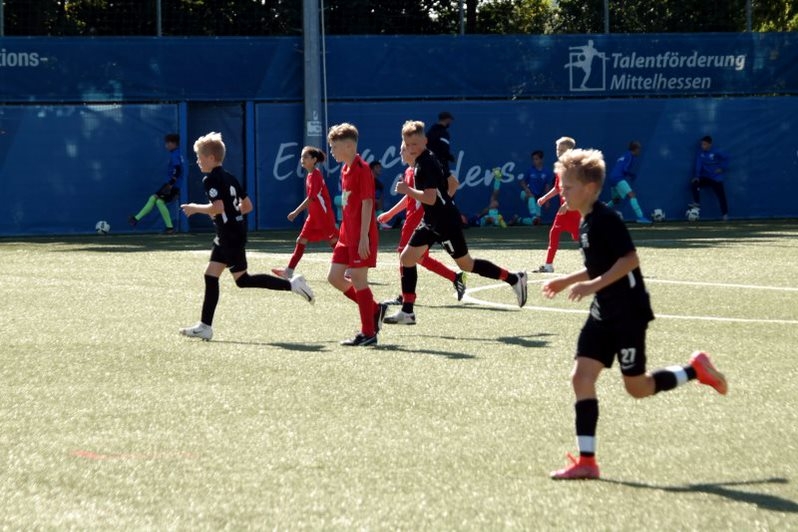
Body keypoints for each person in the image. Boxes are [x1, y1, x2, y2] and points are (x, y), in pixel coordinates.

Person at [541, 148, 728, 480]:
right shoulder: (585, 222)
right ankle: (587, 461)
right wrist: (566, 280)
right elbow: (598, 264)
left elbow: (629, 260)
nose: (562, 192)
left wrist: (591, 285)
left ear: (589, 187)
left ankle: (695, 370)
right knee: (580, 378)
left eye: (567, 187)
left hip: (628, 313)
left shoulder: (606, 219)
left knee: (637, 388)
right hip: (602, 312)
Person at [383, 120, 527, 326]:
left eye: (415, 143)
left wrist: (408, 191)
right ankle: (407, 311)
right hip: (432, 220)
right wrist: (443, 201)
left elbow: (430, 198)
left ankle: (514, 278)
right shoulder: (426, 159)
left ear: (425, 141)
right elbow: (448, 186)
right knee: (407, 258)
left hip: (444, 223)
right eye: (407, 144)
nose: (411, 148)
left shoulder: (426, 164)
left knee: (466, 264)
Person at [178, 132, 314, 341]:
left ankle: (293, 284)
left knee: (242, 280)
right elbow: (247, 206)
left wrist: (195, 208)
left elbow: (218, 207)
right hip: (229, 233)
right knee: (211, 275)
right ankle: (205, 326)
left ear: (211, 158)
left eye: (199, 157)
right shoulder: (230, 177)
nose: (197, 161)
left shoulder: (210, 179)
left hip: (229, 235)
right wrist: (230, 214)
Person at [377, 142, 466, 306]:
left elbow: (452, 184)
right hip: (412, 219)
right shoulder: (409, 171)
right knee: (418, 258)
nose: (400, 153)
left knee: (405, 255)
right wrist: (391, 213)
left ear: (413, 151)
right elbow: (410, 197)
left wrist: (441, 206)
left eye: (403, 149)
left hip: (419, 220)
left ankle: (406, 297)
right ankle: (455, 277)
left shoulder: (424, 168)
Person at [325, 123, 387, 347]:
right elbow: (348, 204)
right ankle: (375, 309)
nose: (331, 151)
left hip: (361, 236)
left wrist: (363, 238)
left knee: (359, 281)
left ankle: (368, 333)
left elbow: (368, 203)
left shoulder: (362, 169)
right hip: (346, 235)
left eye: (334, 147)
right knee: (334, 278)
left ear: (349, 146)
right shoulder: (345, 169)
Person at [272, 146, 338, 280]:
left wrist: (295, 212)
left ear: (314, 160)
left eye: (306, 157)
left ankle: (349, 268)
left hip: (323, 216)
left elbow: (311, 198)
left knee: (333, 241)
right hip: (313, 216)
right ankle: (289, 271)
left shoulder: (316, 175)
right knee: (301, 240)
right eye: (302, 156)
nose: (302, 159)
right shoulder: (310, 175)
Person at [535, 137, 581, 273]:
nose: (559, 152)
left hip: (575, 209)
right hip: (563, 211)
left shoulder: (573, 167)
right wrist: (544, 198)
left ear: (570, 150)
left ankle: (598, 261)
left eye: (562, 150)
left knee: (580, 238)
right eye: (557, 149)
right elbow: (557, 188)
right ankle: (548, 265)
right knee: (554, 232)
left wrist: (567, 204)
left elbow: (578, 188)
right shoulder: (560, 166)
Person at [128, 133, 184, 234]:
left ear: (173, 143)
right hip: (172, 184)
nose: (166, 145)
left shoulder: (175, 155)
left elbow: (178, 170)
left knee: (156, 200)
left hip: (172, 185)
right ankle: (169, 228)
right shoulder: (178, 153)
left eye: (167, 143)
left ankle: (136, 219)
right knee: (157, 200)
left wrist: (171, 184)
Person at [605, 141, 652, 224]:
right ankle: (641, 217)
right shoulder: (630, 156)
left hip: (612, 178)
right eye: (639, 149)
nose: (639, 151)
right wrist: (631, 175)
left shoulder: (624, 155)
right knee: (632, 195)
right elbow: (625, 169)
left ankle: (598, 213)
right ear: (635, 149)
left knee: (616, 200)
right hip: (618, 178)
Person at [691, 135, 730, 221]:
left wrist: (722, 168)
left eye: (704, 144)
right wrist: (697, 176)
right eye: (701, 144)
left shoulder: (716, 151)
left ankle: (725, 215)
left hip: (716, 178)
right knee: (695, 183)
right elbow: (698, 165)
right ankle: (696, 203)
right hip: (705, 177)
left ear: (710, 144)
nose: (702, 146)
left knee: (721, 196)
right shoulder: (700, 153)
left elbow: (727, 157)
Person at [518, 150, 552, 226]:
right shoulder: (530, 170)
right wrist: (526, 189)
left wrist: (547, 201)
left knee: (537, 222)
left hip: (537, 198)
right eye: (533, 159)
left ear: (541, 160)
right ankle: (533, 216)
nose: (534, 161)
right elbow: (522, 182)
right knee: (531, 196)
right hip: (526, 194)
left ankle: (519, 220)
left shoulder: (547, 172)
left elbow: (547, 187)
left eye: (536, 159)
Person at [426, 111, 456, 179]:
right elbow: (443, 148)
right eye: (450, 120)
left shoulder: (430, 131)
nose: (450, 122)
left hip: (429, 164)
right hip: (440, 165)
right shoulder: (443, 133)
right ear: (447, 119)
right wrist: (450, 157)